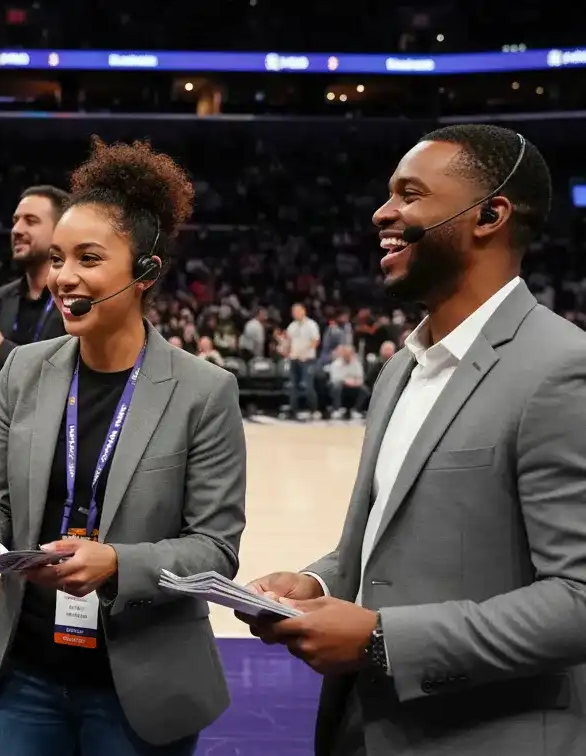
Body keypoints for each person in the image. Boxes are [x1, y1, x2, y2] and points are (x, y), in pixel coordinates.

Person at [241, 124, 586, 756]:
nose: (383, 212)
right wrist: (318, 585)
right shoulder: (403, 366)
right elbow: (395, 545)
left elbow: (578, 600)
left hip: (483, 735)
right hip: (363, 726)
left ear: (490, 214)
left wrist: (380, 640)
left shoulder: (561, 368)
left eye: (410, 194)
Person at [0, 138, 248, 756]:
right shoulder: (22, 369)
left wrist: (117, 565)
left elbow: (214, 550)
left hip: (139, 684)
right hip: (24, 672)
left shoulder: (205, 391)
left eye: (89, 258)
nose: (63, 277)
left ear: (145, 272)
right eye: (57, 258)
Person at [0, 185, 69, 414]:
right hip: (2, 436)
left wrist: (2, 351)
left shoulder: (77, 301)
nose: (16, 229)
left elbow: (70, 378)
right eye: (16, 220)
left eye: (30, 221)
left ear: (60, 233)